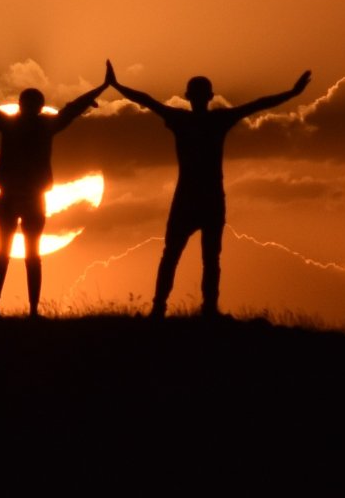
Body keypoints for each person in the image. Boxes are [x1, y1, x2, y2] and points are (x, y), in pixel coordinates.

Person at [112, 70, 312, 319]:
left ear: (189, 97)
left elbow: (147, 100)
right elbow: (258, 104)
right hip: (207, 198)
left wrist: (117, 85)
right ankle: (198, 310)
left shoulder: (182, 119)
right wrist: (292, 93)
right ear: (210, 97)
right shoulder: (216, 120)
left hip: (193, 198)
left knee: (177, 256)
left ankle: (163, 309)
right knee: (202, 258)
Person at [0, 59, 112, 317]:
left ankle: (13, 309)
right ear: (34, 106)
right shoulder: (41, 126)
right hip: (18, 197)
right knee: (20, 255)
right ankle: (13, 309)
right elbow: (71, 110)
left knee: (16, 254)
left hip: (22, 197)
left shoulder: (19, 125)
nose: (31, 109)